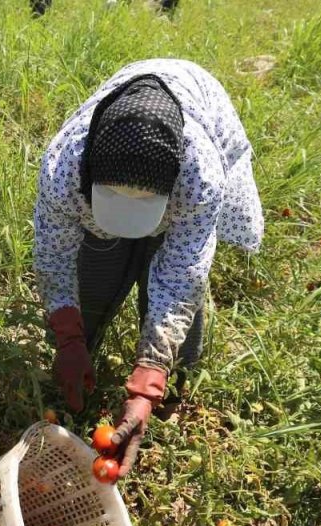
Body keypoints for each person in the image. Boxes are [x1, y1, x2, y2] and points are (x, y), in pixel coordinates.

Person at [33, 59, 263, 479]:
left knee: (183, 299)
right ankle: (84, 355)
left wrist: (151, 378)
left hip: (196, 122)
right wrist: (68, 335)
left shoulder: (200, 174)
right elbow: (54, 254)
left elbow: (182, 273)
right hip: (109, 179)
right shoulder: (64, 167)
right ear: (89, 177)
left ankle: (173, 393)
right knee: (95, 274)